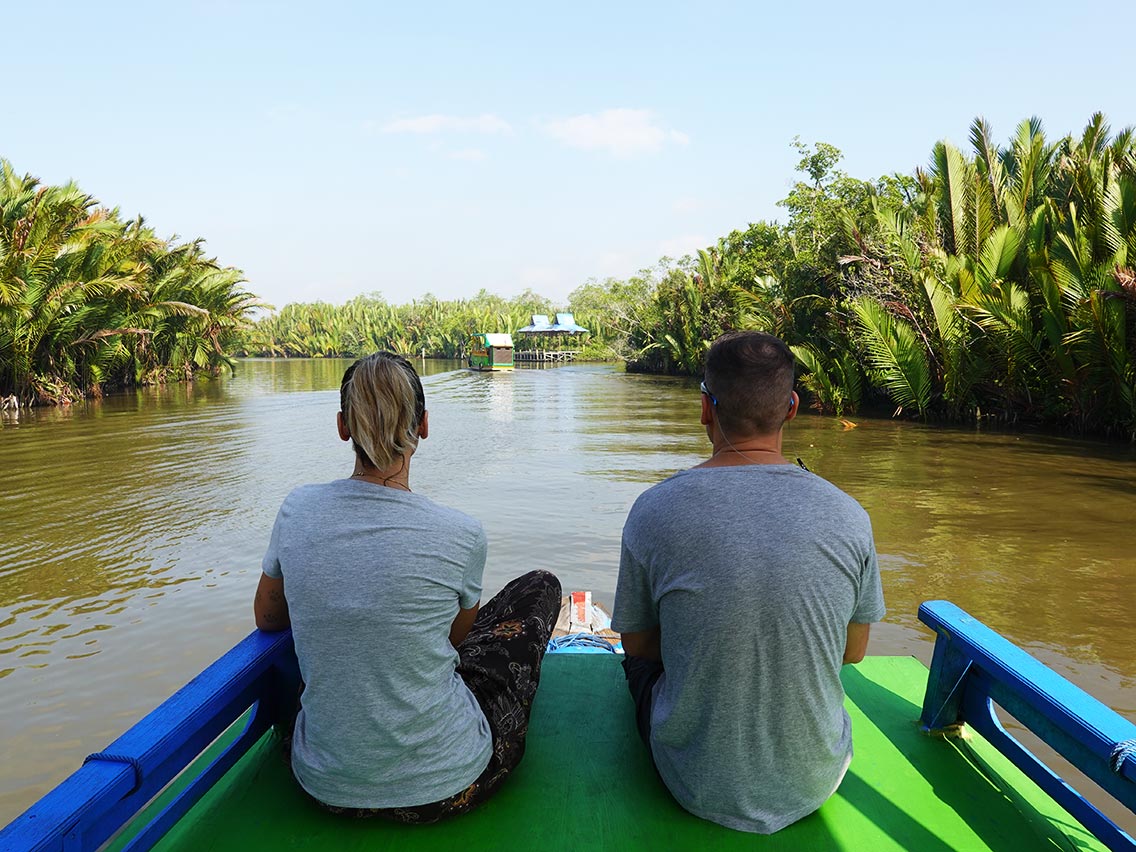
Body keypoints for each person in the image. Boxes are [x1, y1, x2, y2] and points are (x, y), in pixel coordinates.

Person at [253, 352, 561, 823]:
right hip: (448, 784)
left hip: (324, 785)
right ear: (424, 426)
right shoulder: (461, 532)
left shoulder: (297, 509)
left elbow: (269, 617)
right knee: (540, 588)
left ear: (342, 426)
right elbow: (456, 642)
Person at [611, 331, 885, 834]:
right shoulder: (849, 515)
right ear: (792, 408)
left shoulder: (653, 510)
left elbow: (640, 645)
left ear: (704, 410)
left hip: (692, 782)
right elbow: (853, 651)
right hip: (816, 779)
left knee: (636, 669)